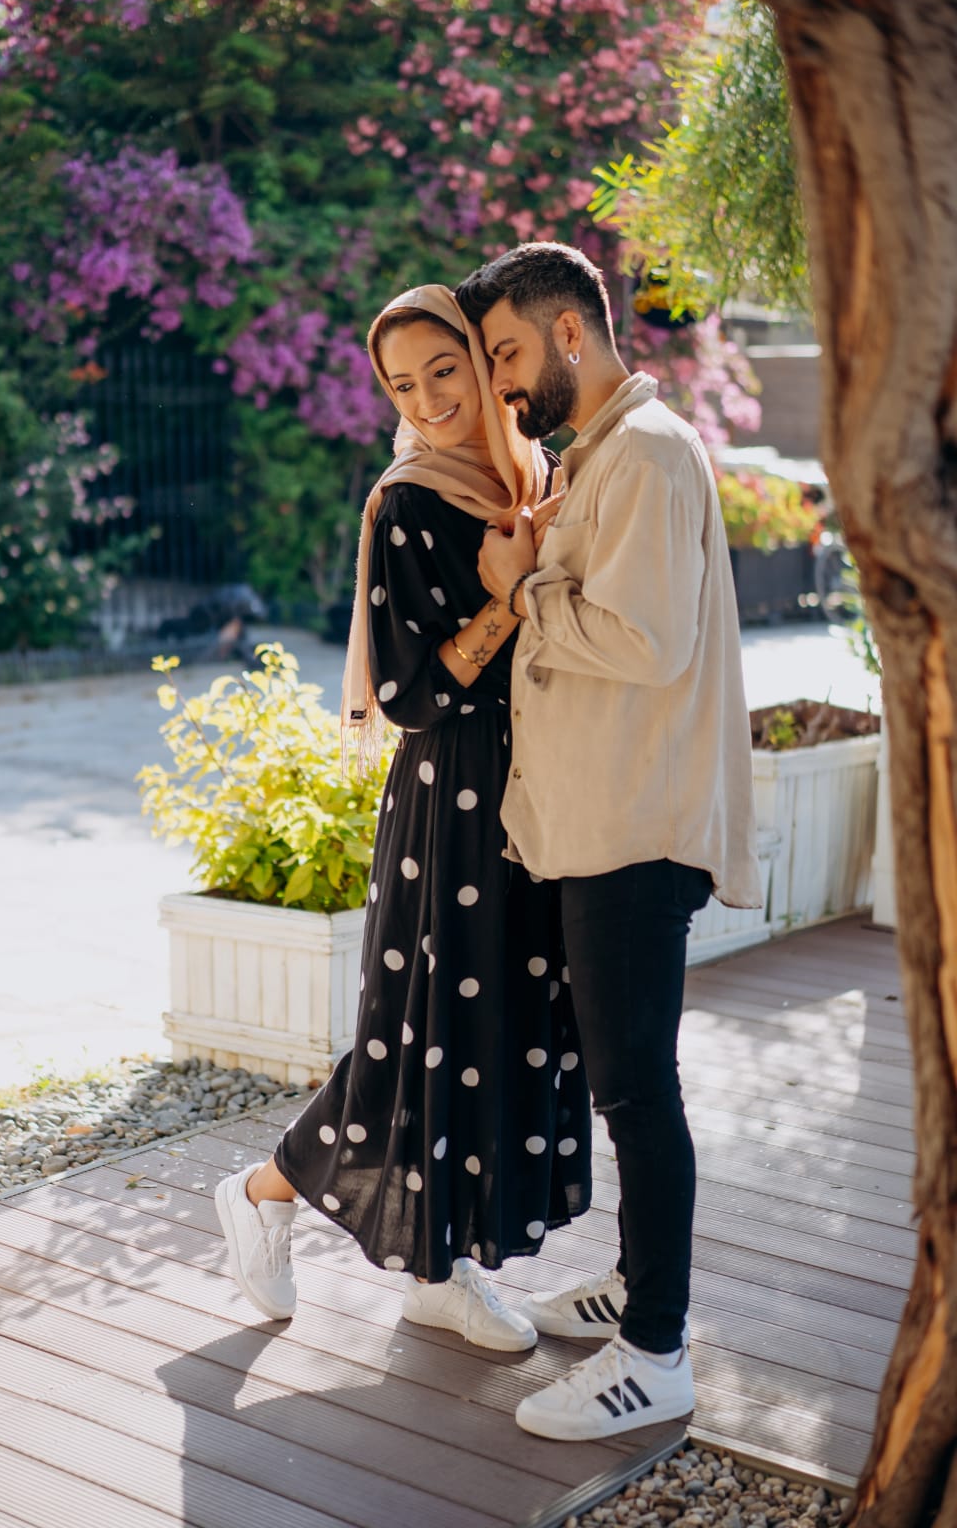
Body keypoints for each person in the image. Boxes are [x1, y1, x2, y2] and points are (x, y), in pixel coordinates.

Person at [215, 284, 592, 1353]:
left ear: (483, 363)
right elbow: (411, 696)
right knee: (421, 1037)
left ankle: (437, 1261)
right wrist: (506, 596)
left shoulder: (535, 476)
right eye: (401, 384)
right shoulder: (409, 502)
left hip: (539, 788)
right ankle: (280, 1196)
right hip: (454, 801)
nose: (427, 399)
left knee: (501, 1025)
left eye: (444, 369)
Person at [455, 243, 762, 1437]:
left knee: (636, 1090)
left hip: (637, 829)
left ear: (571, 333)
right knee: (624, 1082)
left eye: (507, 352)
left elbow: (642, 642)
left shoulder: (644, 453)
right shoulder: (606, 454)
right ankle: (639, 1286)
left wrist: (519, 587)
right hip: (605, 822)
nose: (500, 381)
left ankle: (656, 1352)